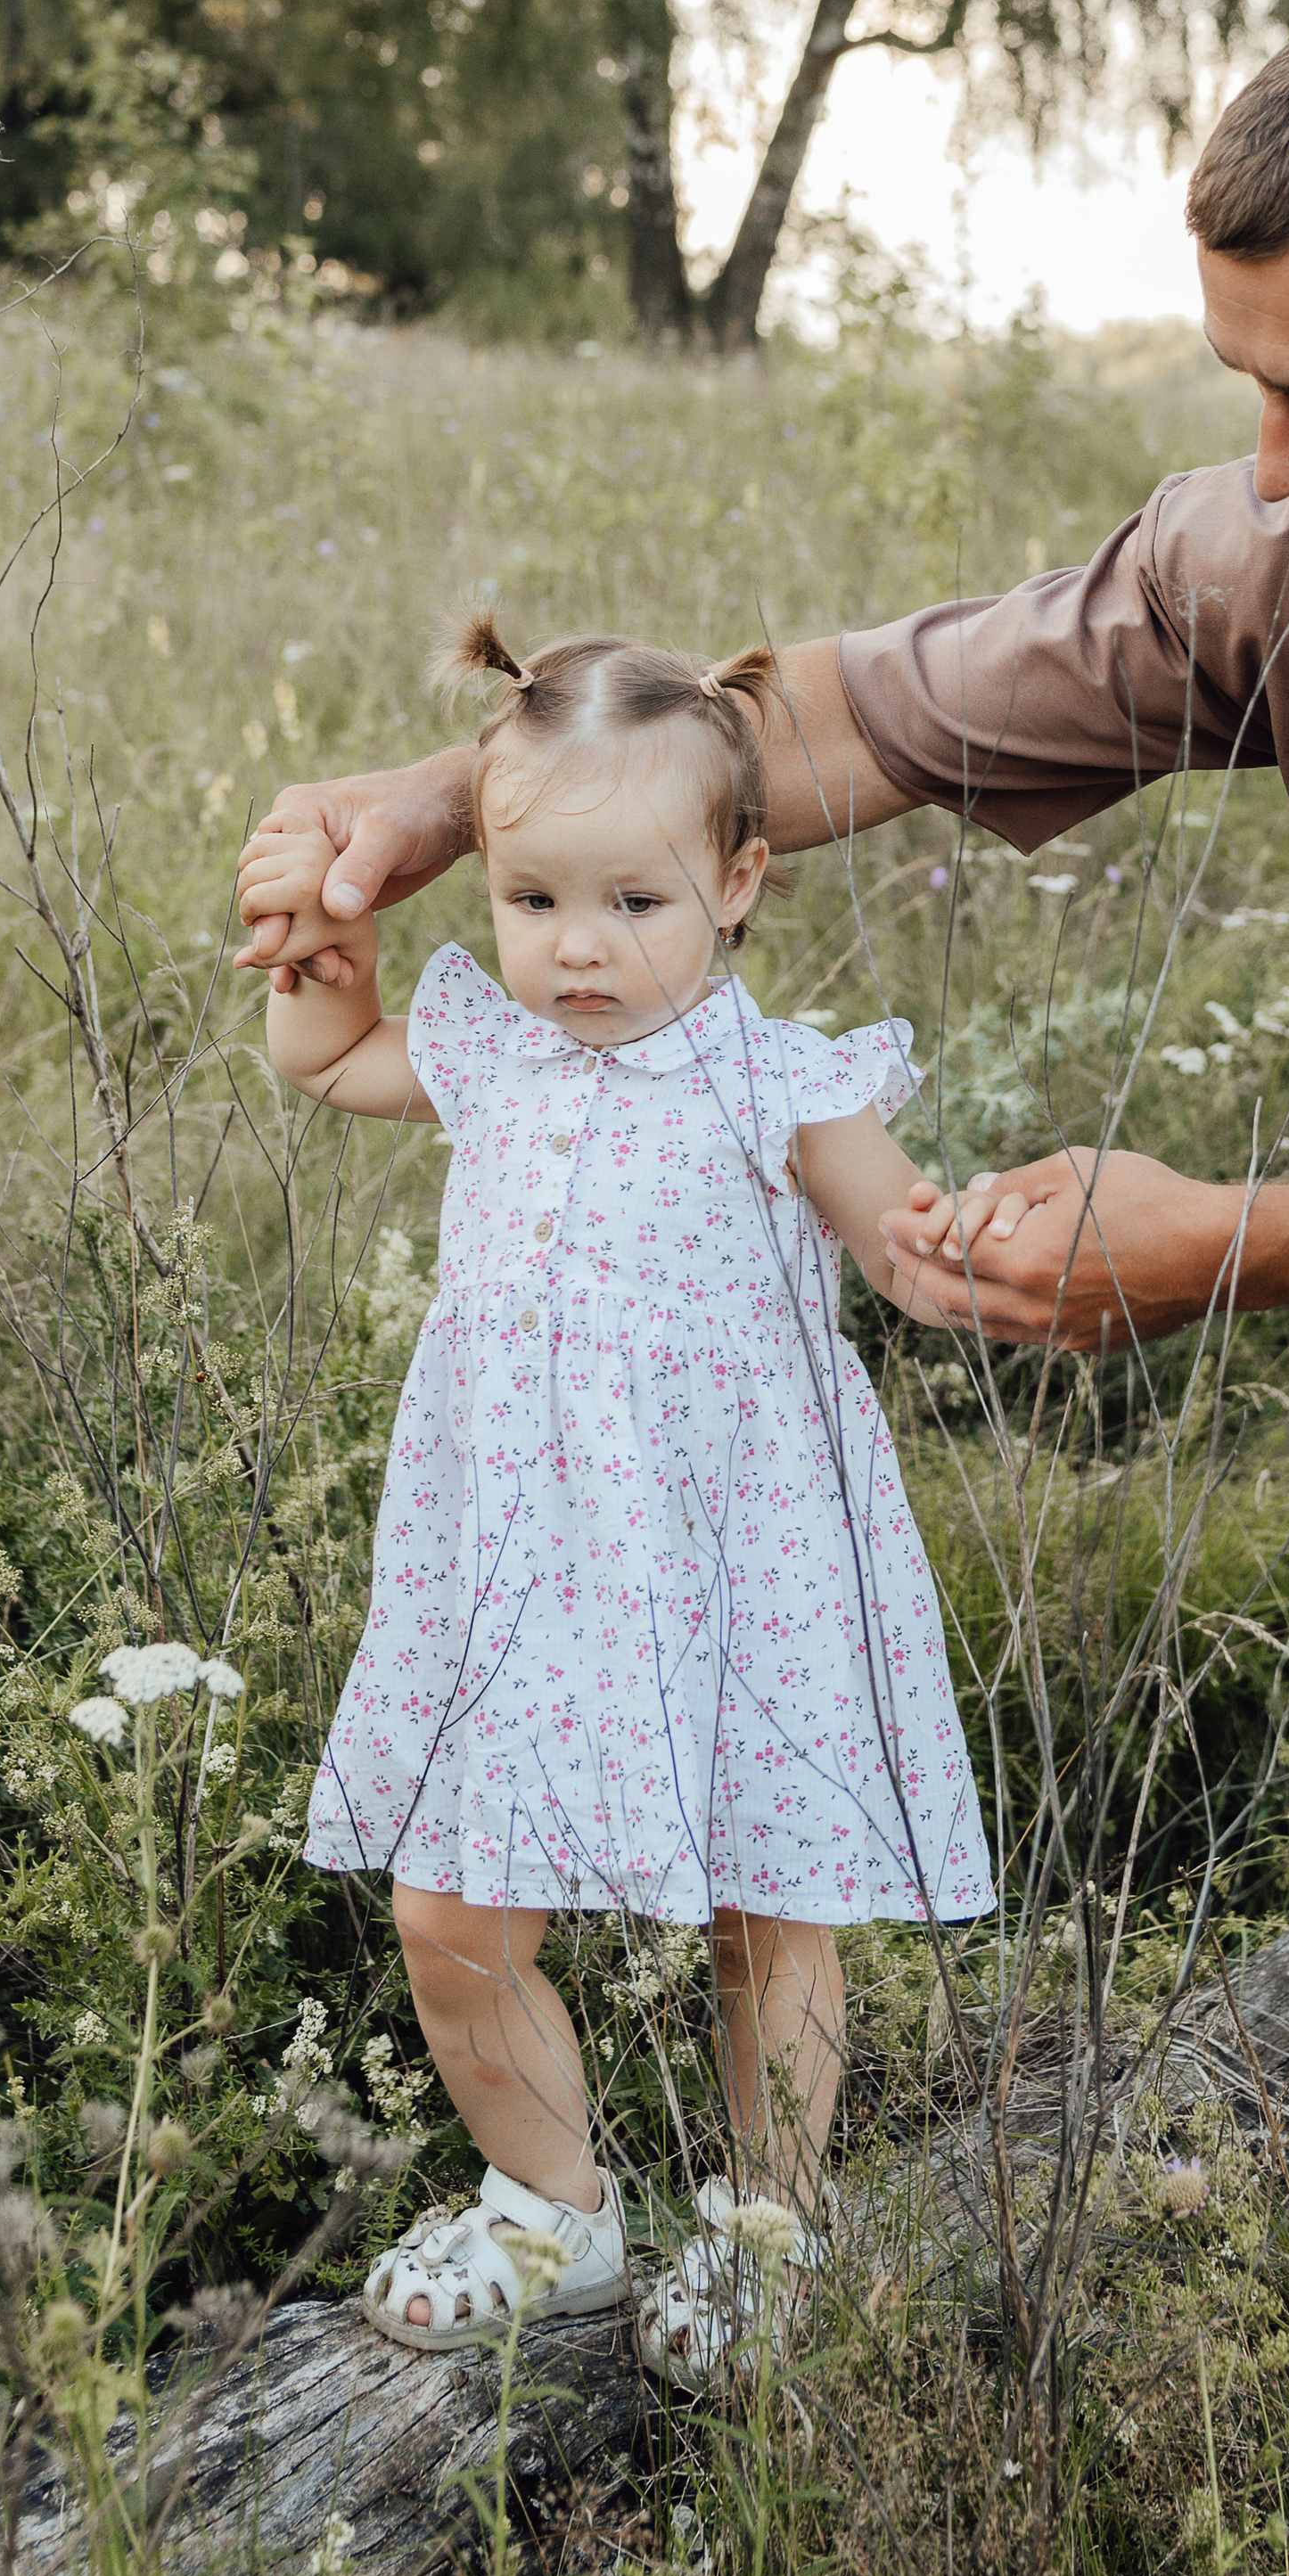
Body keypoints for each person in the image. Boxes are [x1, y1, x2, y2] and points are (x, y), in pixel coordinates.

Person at [240, 7, 1289, 2576]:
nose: (1273, 466)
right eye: (1244, 385)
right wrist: (442, 806)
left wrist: (1216, 1238)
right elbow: (830, 725)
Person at [250, 614, 993, 2384]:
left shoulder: (769, 1076)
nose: (577, 949)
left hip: (737, 1553)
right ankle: (548, 2201)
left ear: (737, 882)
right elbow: (329, 1064)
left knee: (770, 1905)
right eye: (532, 903)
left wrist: (978, 1245)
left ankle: (764, 2229)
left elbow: (905, 1248)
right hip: (511, 1557)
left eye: (635, 904)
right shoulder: (492, 1054)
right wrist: (317, 949)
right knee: (449, 1908)